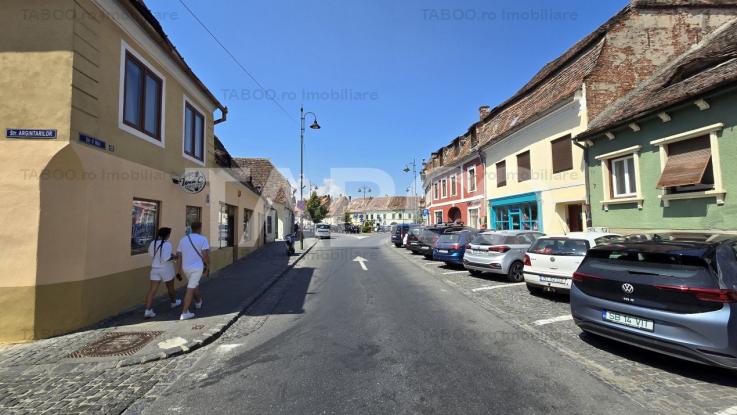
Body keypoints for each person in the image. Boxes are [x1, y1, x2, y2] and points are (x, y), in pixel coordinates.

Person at [143, 227, 181, 318]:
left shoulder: (153, 243)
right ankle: (174, 302)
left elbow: (151, 254)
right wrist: (174, 257)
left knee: (152, 290)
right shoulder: (167, 244)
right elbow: (166, 258)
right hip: (166, 268)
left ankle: (147, 310)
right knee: (170, 287)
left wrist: (168, 255)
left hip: (155, 268)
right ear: (167, 235)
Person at [176, 221, 210, 320]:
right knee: (190, 288)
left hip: (185, 267)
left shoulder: (183, 239)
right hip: (197, 267)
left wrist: (178, 270)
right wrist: (207, 265)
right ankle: (185, 312)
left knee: (193, 284)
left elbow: (179, 255)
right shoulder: (203, 239)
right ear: (200, 228)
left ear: (191, 228)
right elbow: (205, 254)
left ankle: (198, 301)